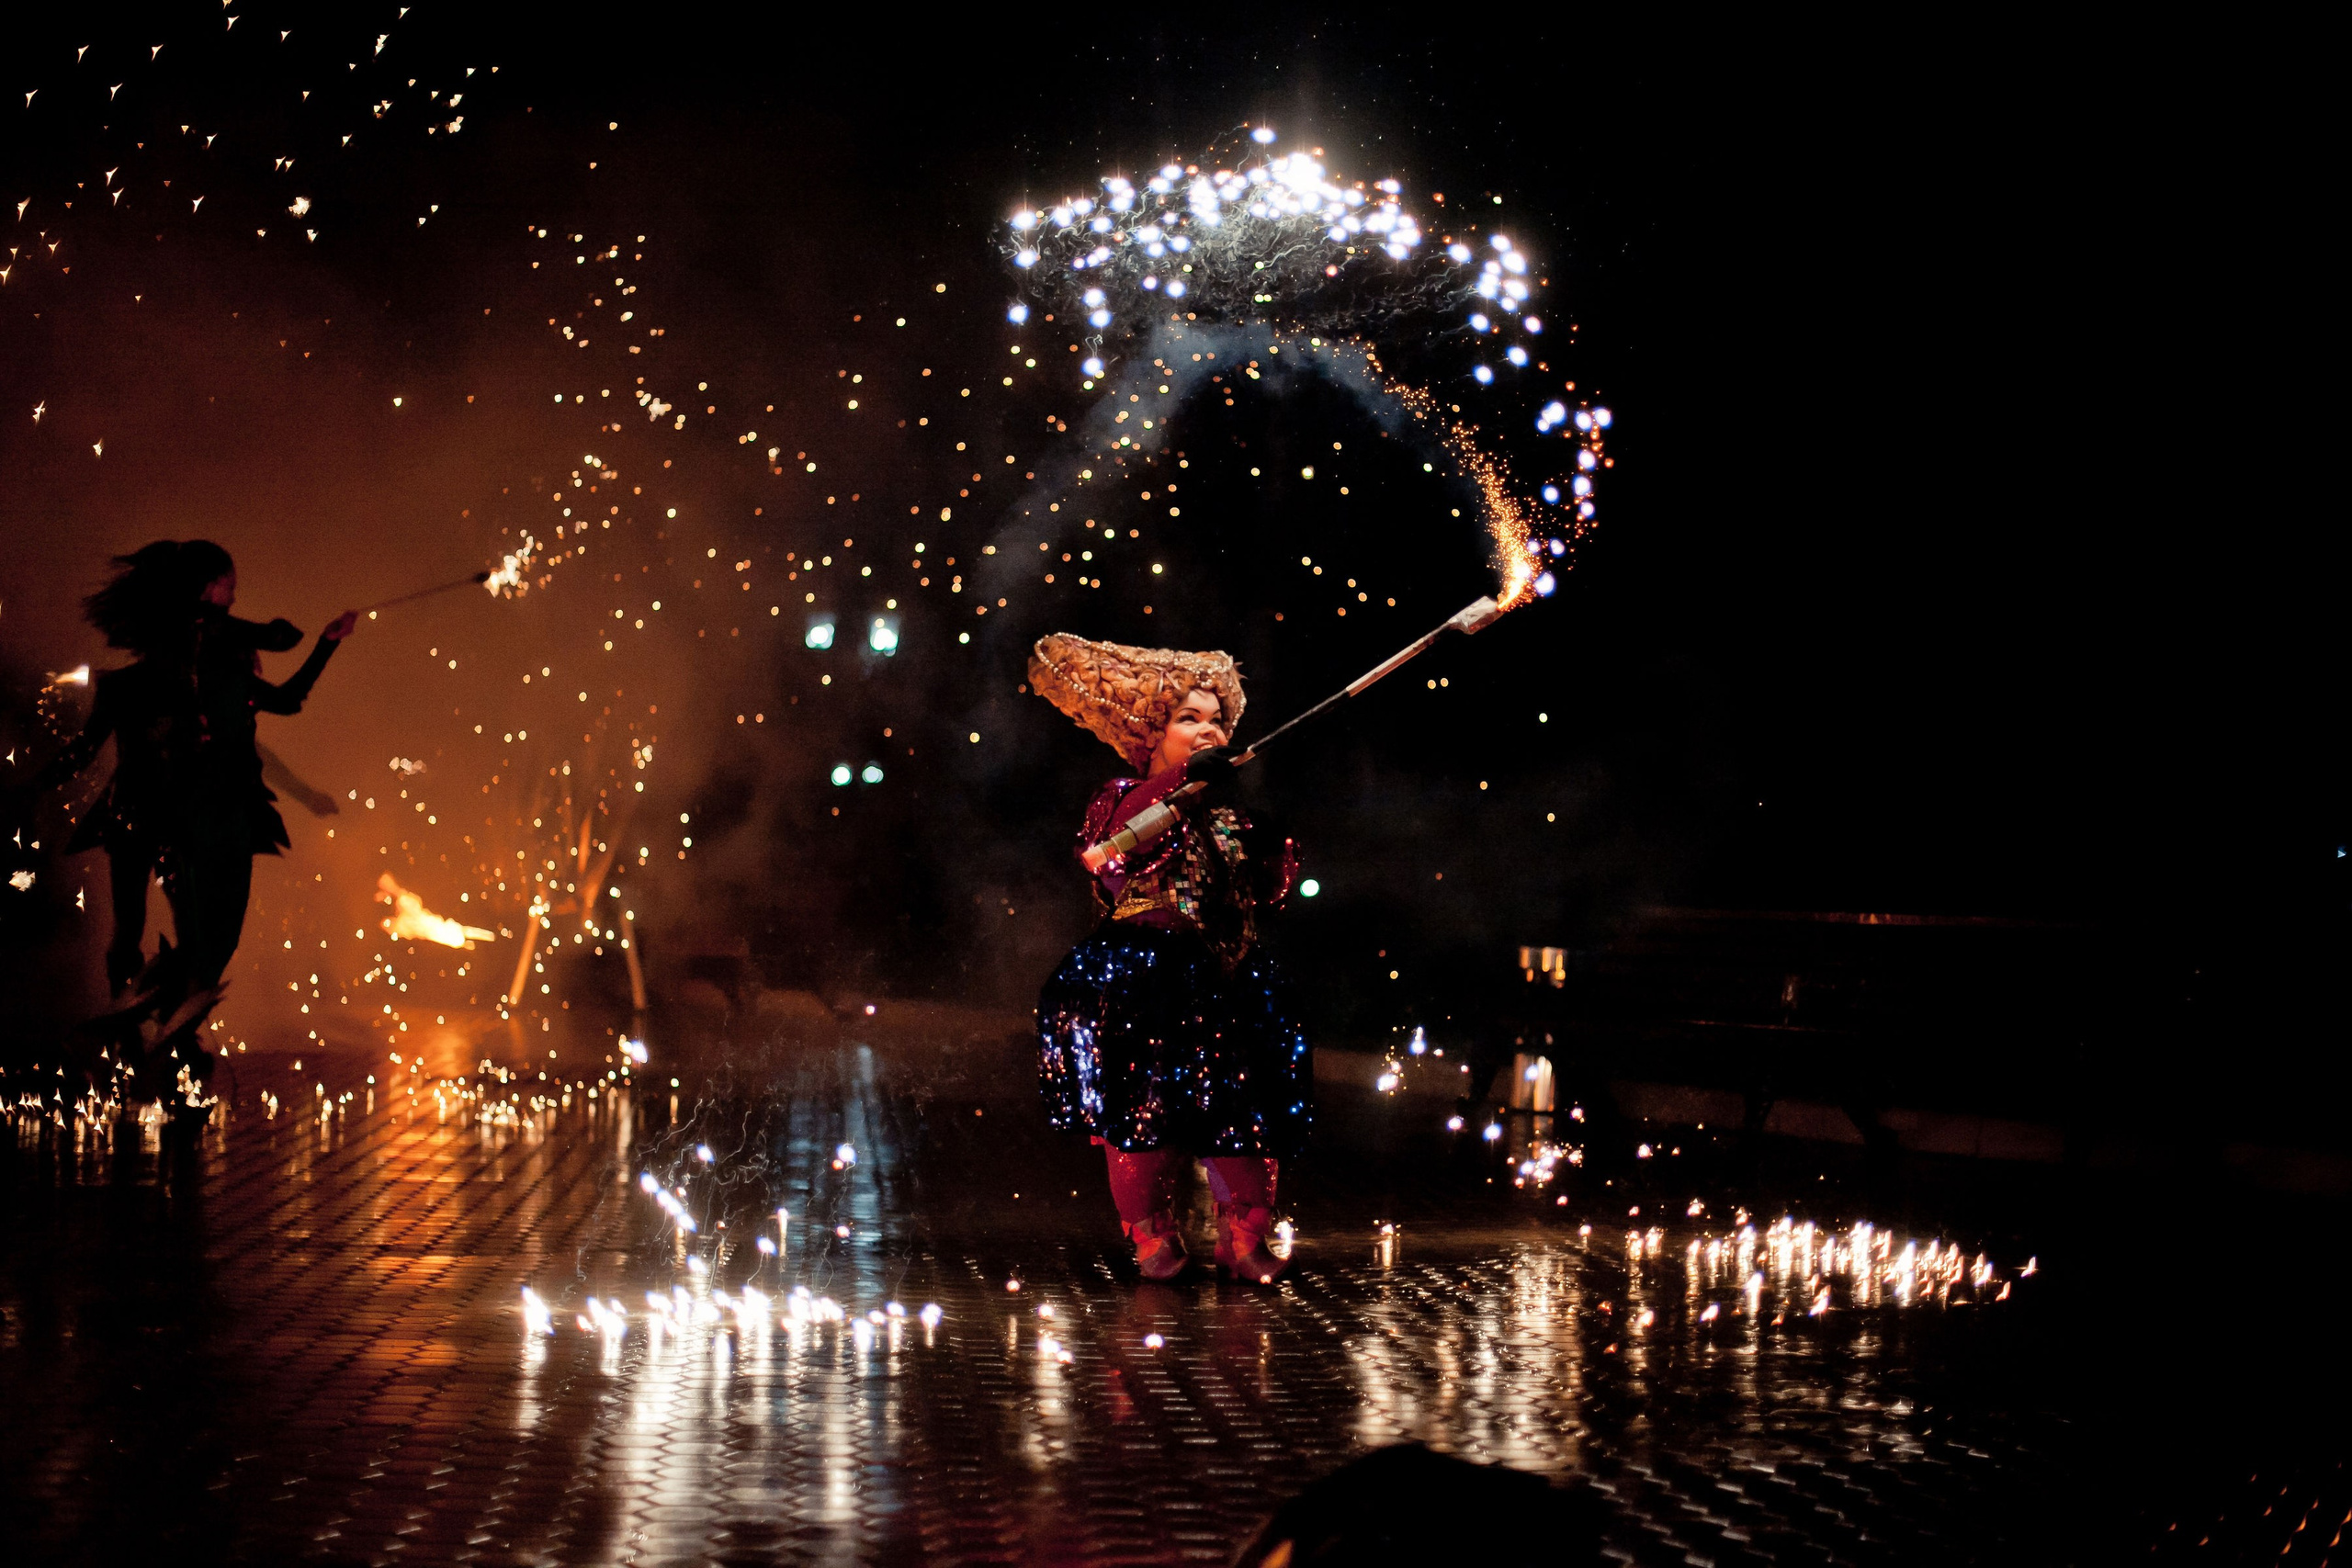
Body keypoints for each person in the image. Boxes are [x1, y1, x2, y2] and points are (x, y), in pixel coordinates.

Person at [25, 541, 356, 1100]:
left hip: (155, 812)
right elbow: (277, 675)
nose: (234, 595)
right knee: (196, 938)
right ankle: (149, 1032)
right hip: (177, 814)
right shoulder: (200, 666)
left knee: (157, 933)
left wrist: (317, 643)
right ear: (204, 593)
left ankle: (148, 1032)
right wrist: (306, 641)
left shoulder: (185, 674)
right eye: (228, 584)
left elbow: (258, 718)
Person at [1029, 634, 1308, 1283]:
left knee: (1245, 1113)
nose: (1207, 728)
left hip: (1226, 976)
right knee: (1142, 1116)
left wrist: (1271, 852)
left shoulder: (1228, 813)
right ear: (1153, 734)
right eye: (1189, 718)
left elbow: (1265, 891)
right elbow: (1114, 853)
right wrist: (1183, 782)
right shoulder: (1124, 796)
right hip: (1142, 979)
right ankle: (1151, 1233)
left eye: (1215, 719)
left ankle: (1245, 1233)